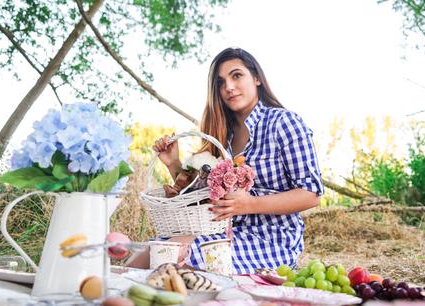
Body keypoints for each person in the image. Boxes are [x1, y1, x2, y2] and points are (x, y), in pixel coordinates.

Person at [127, 47, 324, 274]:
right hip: (218, 230)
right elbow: (200, 195)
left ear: (257, 78)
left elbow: (311, 195)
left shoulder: (283, 122)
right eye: (221, 82)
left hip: (270, 239)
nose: (228, 87)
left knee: (176, 257)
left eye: (236, 75)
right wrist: (173, 164)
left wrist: (249, 204)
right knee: (151, 253)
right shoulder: (222, 135)